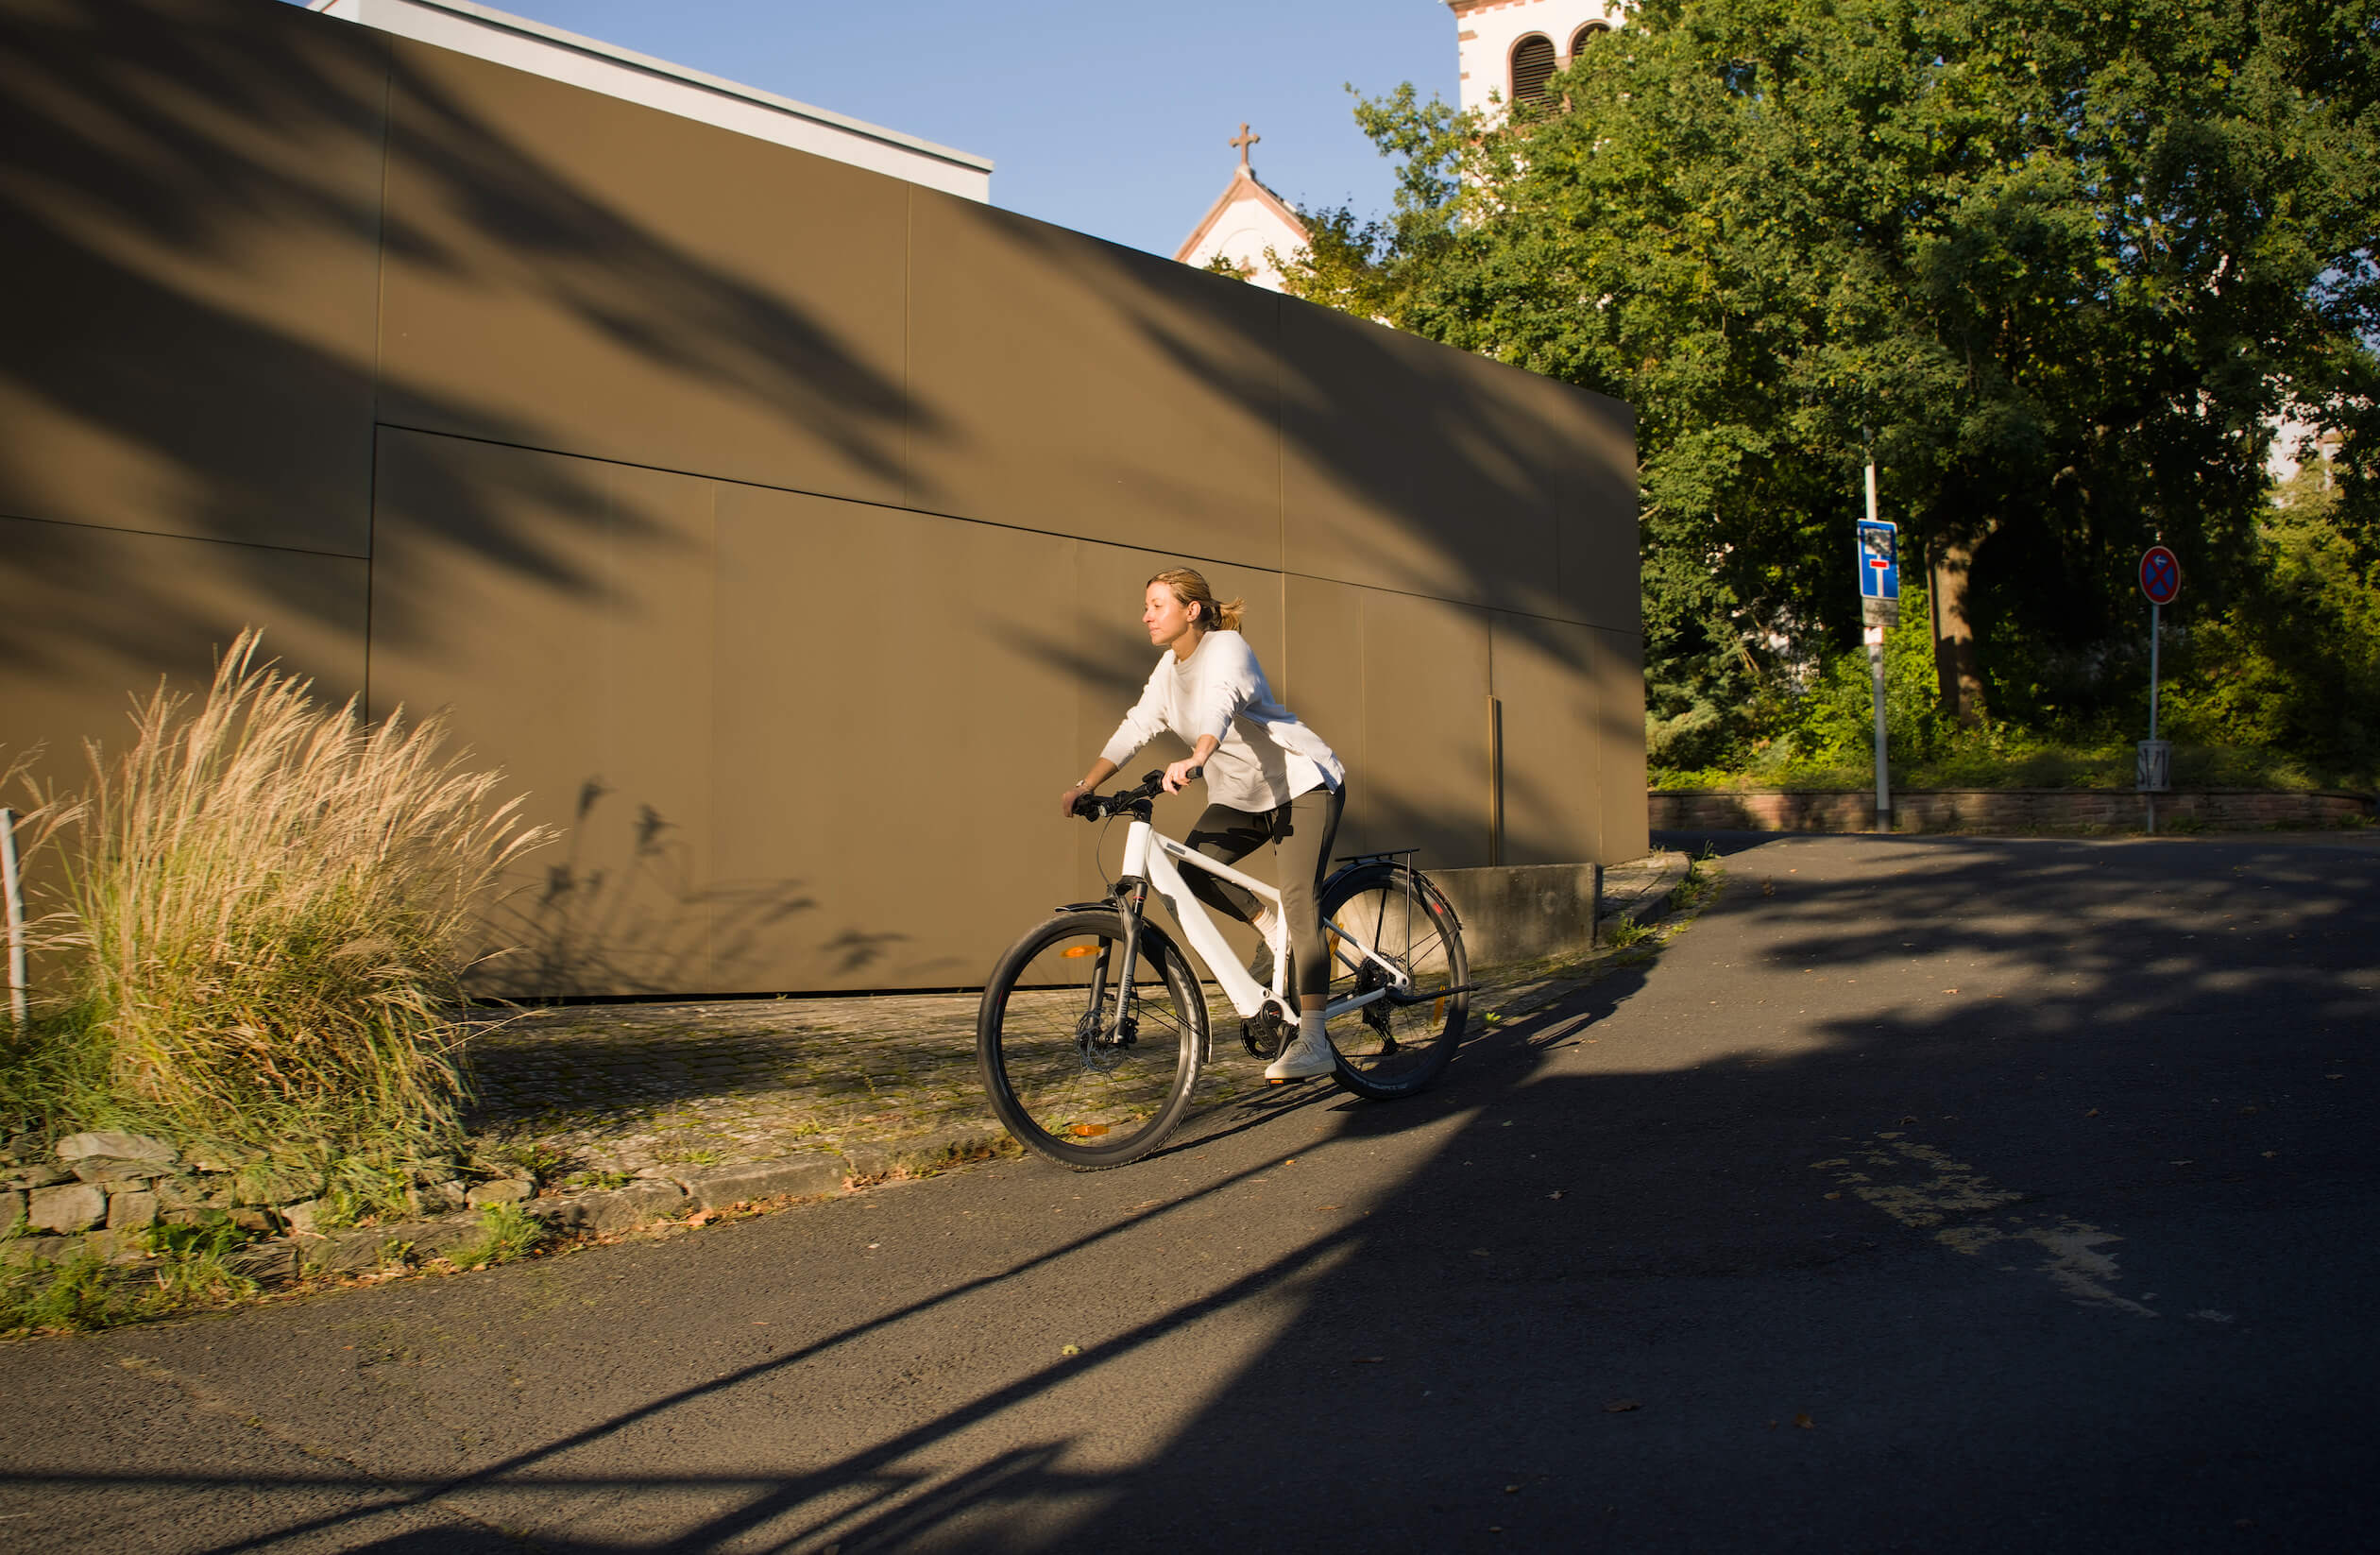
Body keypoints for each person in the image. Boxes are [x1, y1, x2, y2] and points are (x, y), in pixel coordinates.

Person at [1060, 568, 1347, 1082]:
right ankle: (1271, 927)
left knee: (1301, 902)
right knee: (1195, 870)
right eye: (1146, 605)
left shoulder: (1227, 650)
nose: (1145, 614)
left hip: (1300, 785)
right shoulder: (1169, 670)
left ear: (1191, 610)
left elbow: (1221, 702)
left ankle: (1315, 1038)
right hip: (1243, 798)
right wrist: (1087, 784)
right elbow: (1137, 725)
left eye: (1156, 604)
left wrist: (1197, 756)